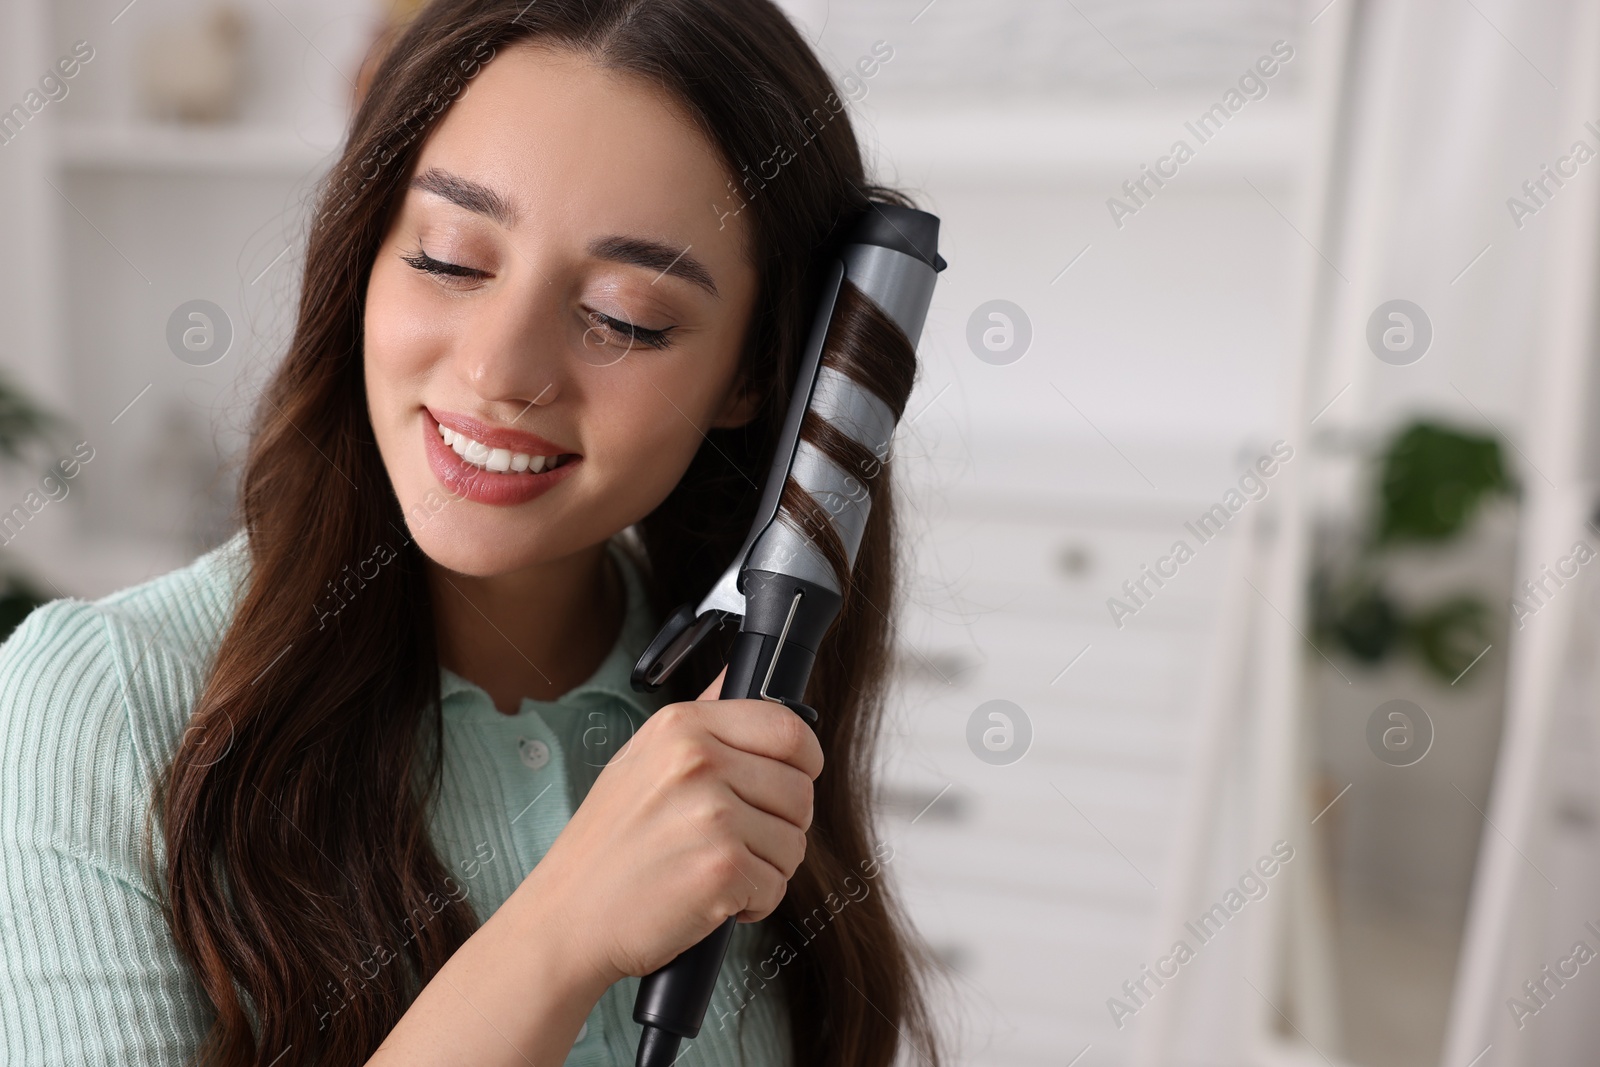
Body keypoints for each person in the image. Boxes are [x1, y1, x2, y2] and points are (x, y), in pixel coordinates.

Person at [0, 1, 946, 1065]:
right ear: (364, 250)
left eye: (624, 317)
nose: (501, 370)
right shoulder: (102, 703)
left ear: (756, 378)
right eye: (450, 258)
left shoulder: (737, 718)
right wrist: (559, 937)